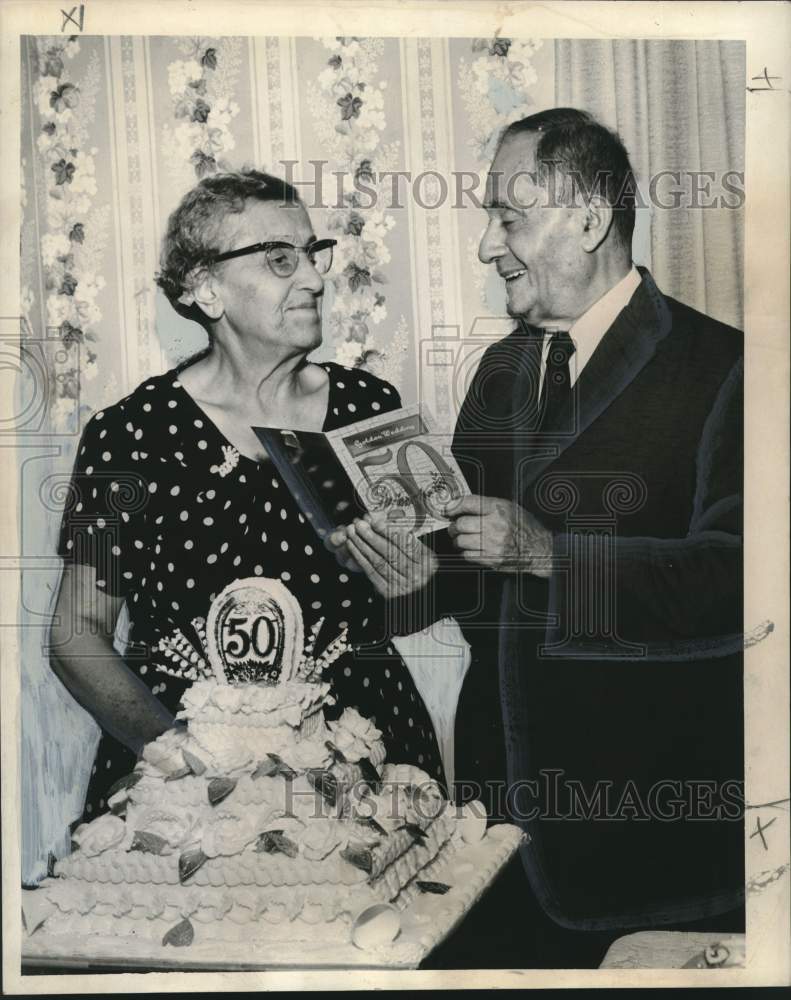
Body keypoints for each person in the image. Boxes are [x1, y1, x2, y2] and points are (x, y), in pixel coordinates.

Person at [335, 108, 744, 967]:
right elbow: (469, 571)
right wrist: (410, 575)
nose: (489, 246)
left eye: (508, 218)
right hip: (490, 838)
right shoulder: (501, 371)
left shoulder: (727, 368)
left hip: (646, 853)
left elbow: (738, 581)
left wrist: (549, 553)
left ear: (589, 219)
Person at [50, 169, 444, 825]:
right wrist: (178, 755)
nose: (315, 280)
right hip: (182, 779)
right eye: (279, 259)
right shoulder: (126, 437)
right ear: (206, 288)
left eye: (313, 255)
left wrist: (419, 582)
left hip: (365, 761)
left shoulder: (370, 413)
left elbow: (427, 602)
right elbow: (74, 631)